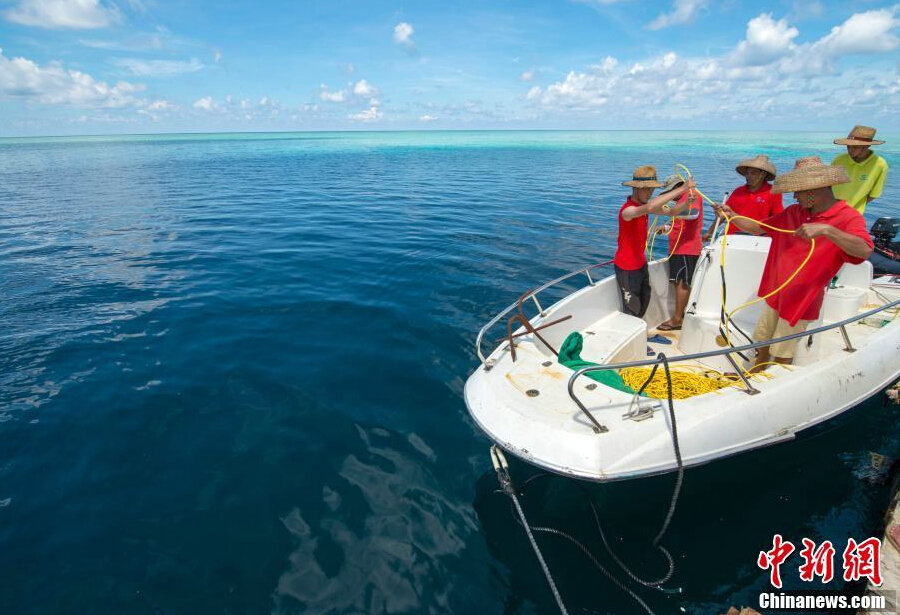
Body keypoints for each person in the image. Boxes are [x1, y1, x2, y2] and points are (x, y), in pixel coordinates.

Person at [717, 156, 873, 371]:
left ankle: (772, 383)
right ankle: (755, 373)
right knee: (762, 340)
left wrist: (828, 230)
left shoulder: (848, 217)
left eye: (798, 191)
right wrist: (732, 215)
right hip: (776, 292)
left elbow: (864, 249)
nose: (794, 196)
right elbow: (757, 228)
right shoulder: (793, 212)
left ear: (815, 190)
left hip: (802, 299)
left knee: (783, 350)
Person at [615, 165, 694, 318]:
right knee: (632, 310)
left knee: (645, 300)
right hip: (626, 267)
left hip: (640, 264)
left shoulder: (644, 207)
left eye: (652, 189)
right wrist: (682, 188)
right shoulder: (627, 211)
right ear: (636, 188)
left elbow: (672, 212)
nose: (650, 192)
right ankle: (634, 332)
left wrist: (686, 203)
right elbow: (651, 207)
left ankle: (640, 330)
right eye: (646, 189)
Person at [655, 176, 703, 331]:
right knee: (677, 282)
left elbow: (693, 214)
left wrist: (668, 212)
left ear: (678, 187)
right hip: (678, 248)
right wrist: (666, 228)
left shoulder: (691, 195)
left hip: (687, 249)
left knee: (682, 283)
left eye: (671, 191)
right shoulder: (681, 200)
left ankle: (677, 319)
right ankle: (678, 317)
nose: (671, 196)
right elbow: (681, 223)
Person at [705, 155, 782, 240]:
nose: (748, 176)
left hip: (759, 238)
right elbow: (724, 215)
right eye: (747, 173)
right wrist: (709, 233)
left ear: (763, 174)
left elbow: (778, 220)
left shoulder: (774, 192)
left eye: (753, 173)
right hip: (732, 236)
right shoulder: (738, 191)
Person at [831, 125, 888, 214]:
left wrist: (854, 208)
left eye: (855, 147)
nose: (850, 150)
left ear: (867, 146)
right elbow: (829, 186)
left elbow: (874, 194)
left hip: (853, 214)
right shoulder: (839, 160)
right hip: (830, 210)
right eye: (848, 146)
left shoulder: (880, 164)